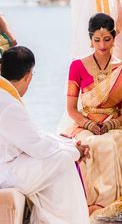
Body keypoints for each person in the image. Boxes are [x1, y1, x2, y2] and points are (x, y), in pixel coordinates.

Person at [59, 13, 122, 212]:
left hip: (115, 124)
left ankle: (112, 203)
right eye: (96, 40)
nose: (102, 45)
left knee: (109, 142)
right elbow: (71, 109)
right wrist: (89, 125)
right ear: (90, 40)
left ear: (114, 38)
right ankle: (90, 203)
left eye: (107, 39)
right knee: (90, 142)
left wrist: (109, 125)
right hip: (84, 123)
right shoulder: (77, 66)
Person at [0, 46, 90, 224]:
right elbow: (38, 147)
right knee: (63, 160)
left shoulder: (5, 96)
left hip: (8, 164)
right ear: (28, 76)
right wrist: (75, 152)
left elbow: (33, 135)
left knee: (60, 158)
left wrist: (69, 145)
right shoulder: (8, 103)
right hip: (5, 173)